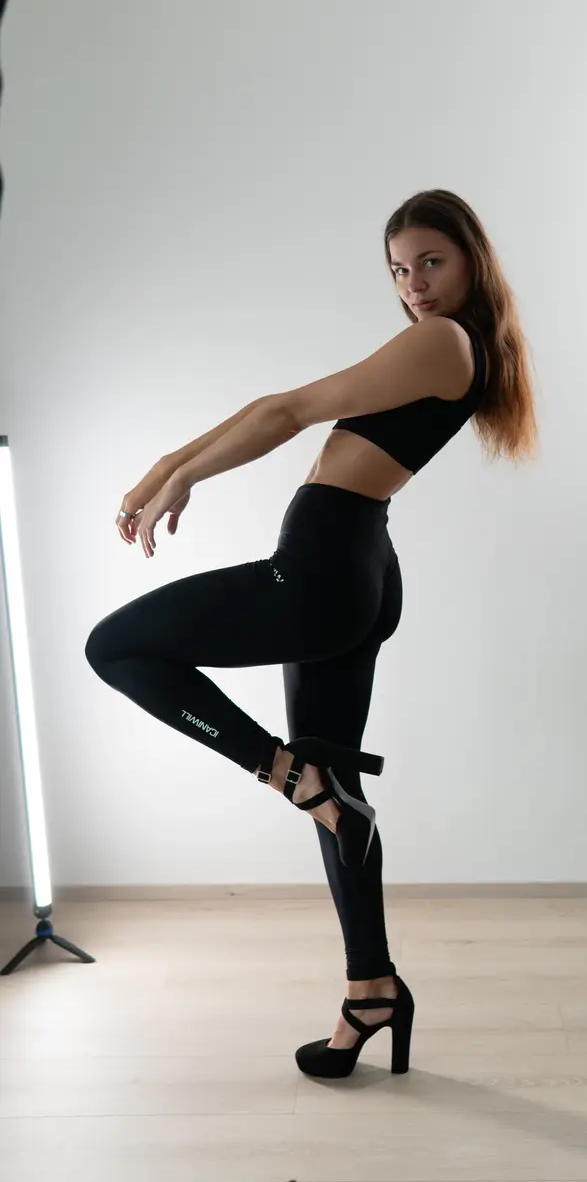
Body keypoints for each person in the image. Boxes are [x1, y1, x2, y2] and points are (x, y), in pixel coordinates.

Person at [85, 188, 538, 1079]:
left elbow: (287, 409)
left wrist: (175, 472)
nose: (414, 284)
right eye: (399, 270)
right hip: (359, 563)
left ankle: (283, 772)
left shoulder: (444, 342)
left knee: (117, 648)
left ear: (472, 260)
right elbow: (280, 408)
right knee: (338, 797)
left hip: (324, 570)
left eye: (430, 262)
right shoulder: (450, 345)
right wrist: (171, 467)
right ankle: (371, 988)